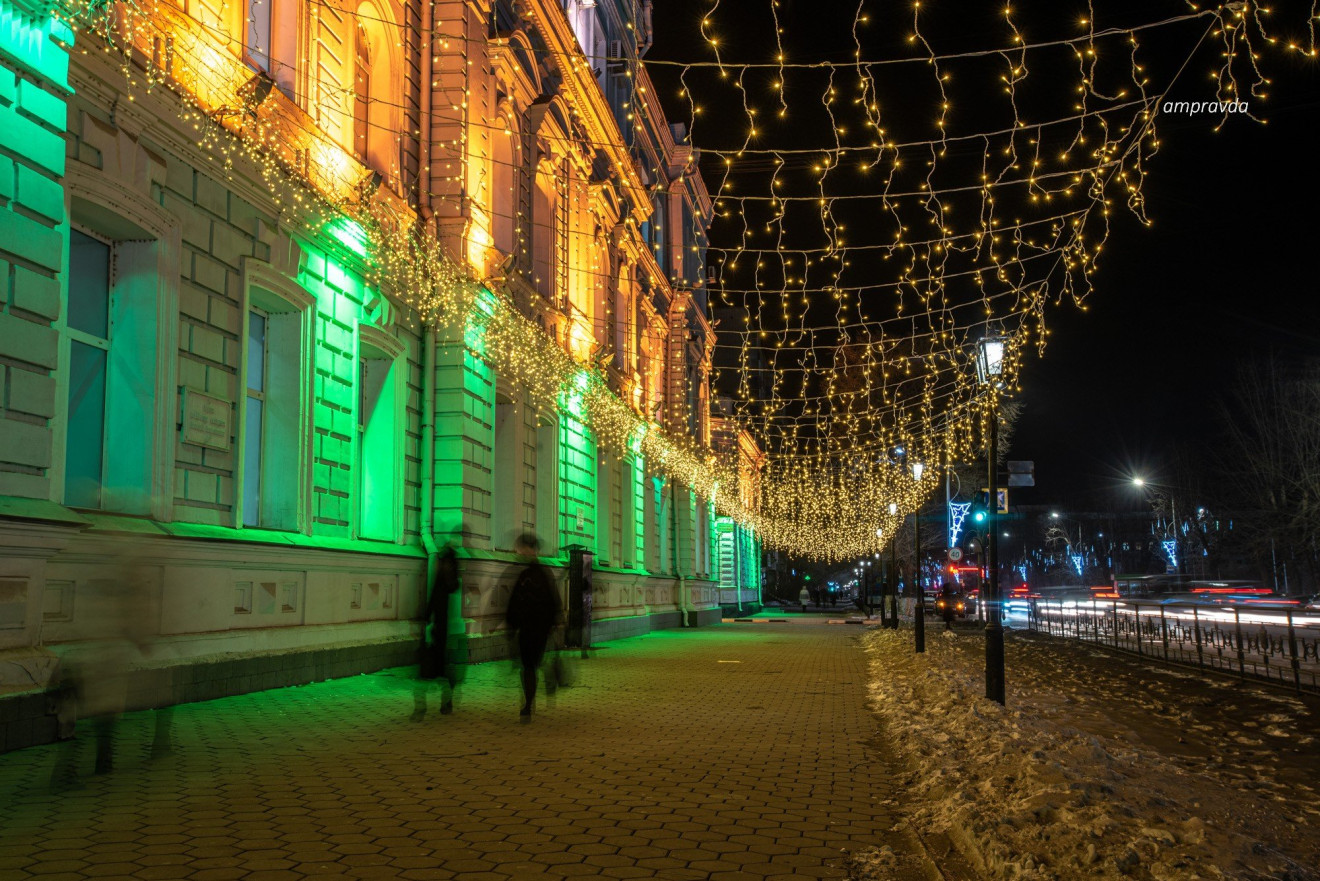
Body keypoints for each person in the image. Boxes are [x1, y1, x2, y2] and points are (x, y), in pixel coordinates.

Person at [505, 533, 562, 720]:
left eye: (521, 548)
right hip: (538, 628)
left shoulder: (530, 575)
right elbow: (554, 602)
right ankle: (529, 701)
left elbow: (517, 602)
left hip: (532, 628)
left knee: (529, 666)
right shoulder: (540, 573)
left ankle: (528, 704)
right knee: (530, 665)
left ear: (530, 550)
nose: (517, 552)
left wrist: (511, 624)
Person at [413, 532, 464, 720]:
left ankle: (433, 705)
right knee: (436, 666)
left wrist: (428, 616)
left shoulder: (450, 572)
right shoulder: (449, 572)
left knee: (438, 666)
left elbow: (440, 592)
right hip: (442, 625)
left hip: (445, 625)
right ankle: (436, 704)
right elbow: (437, 592)